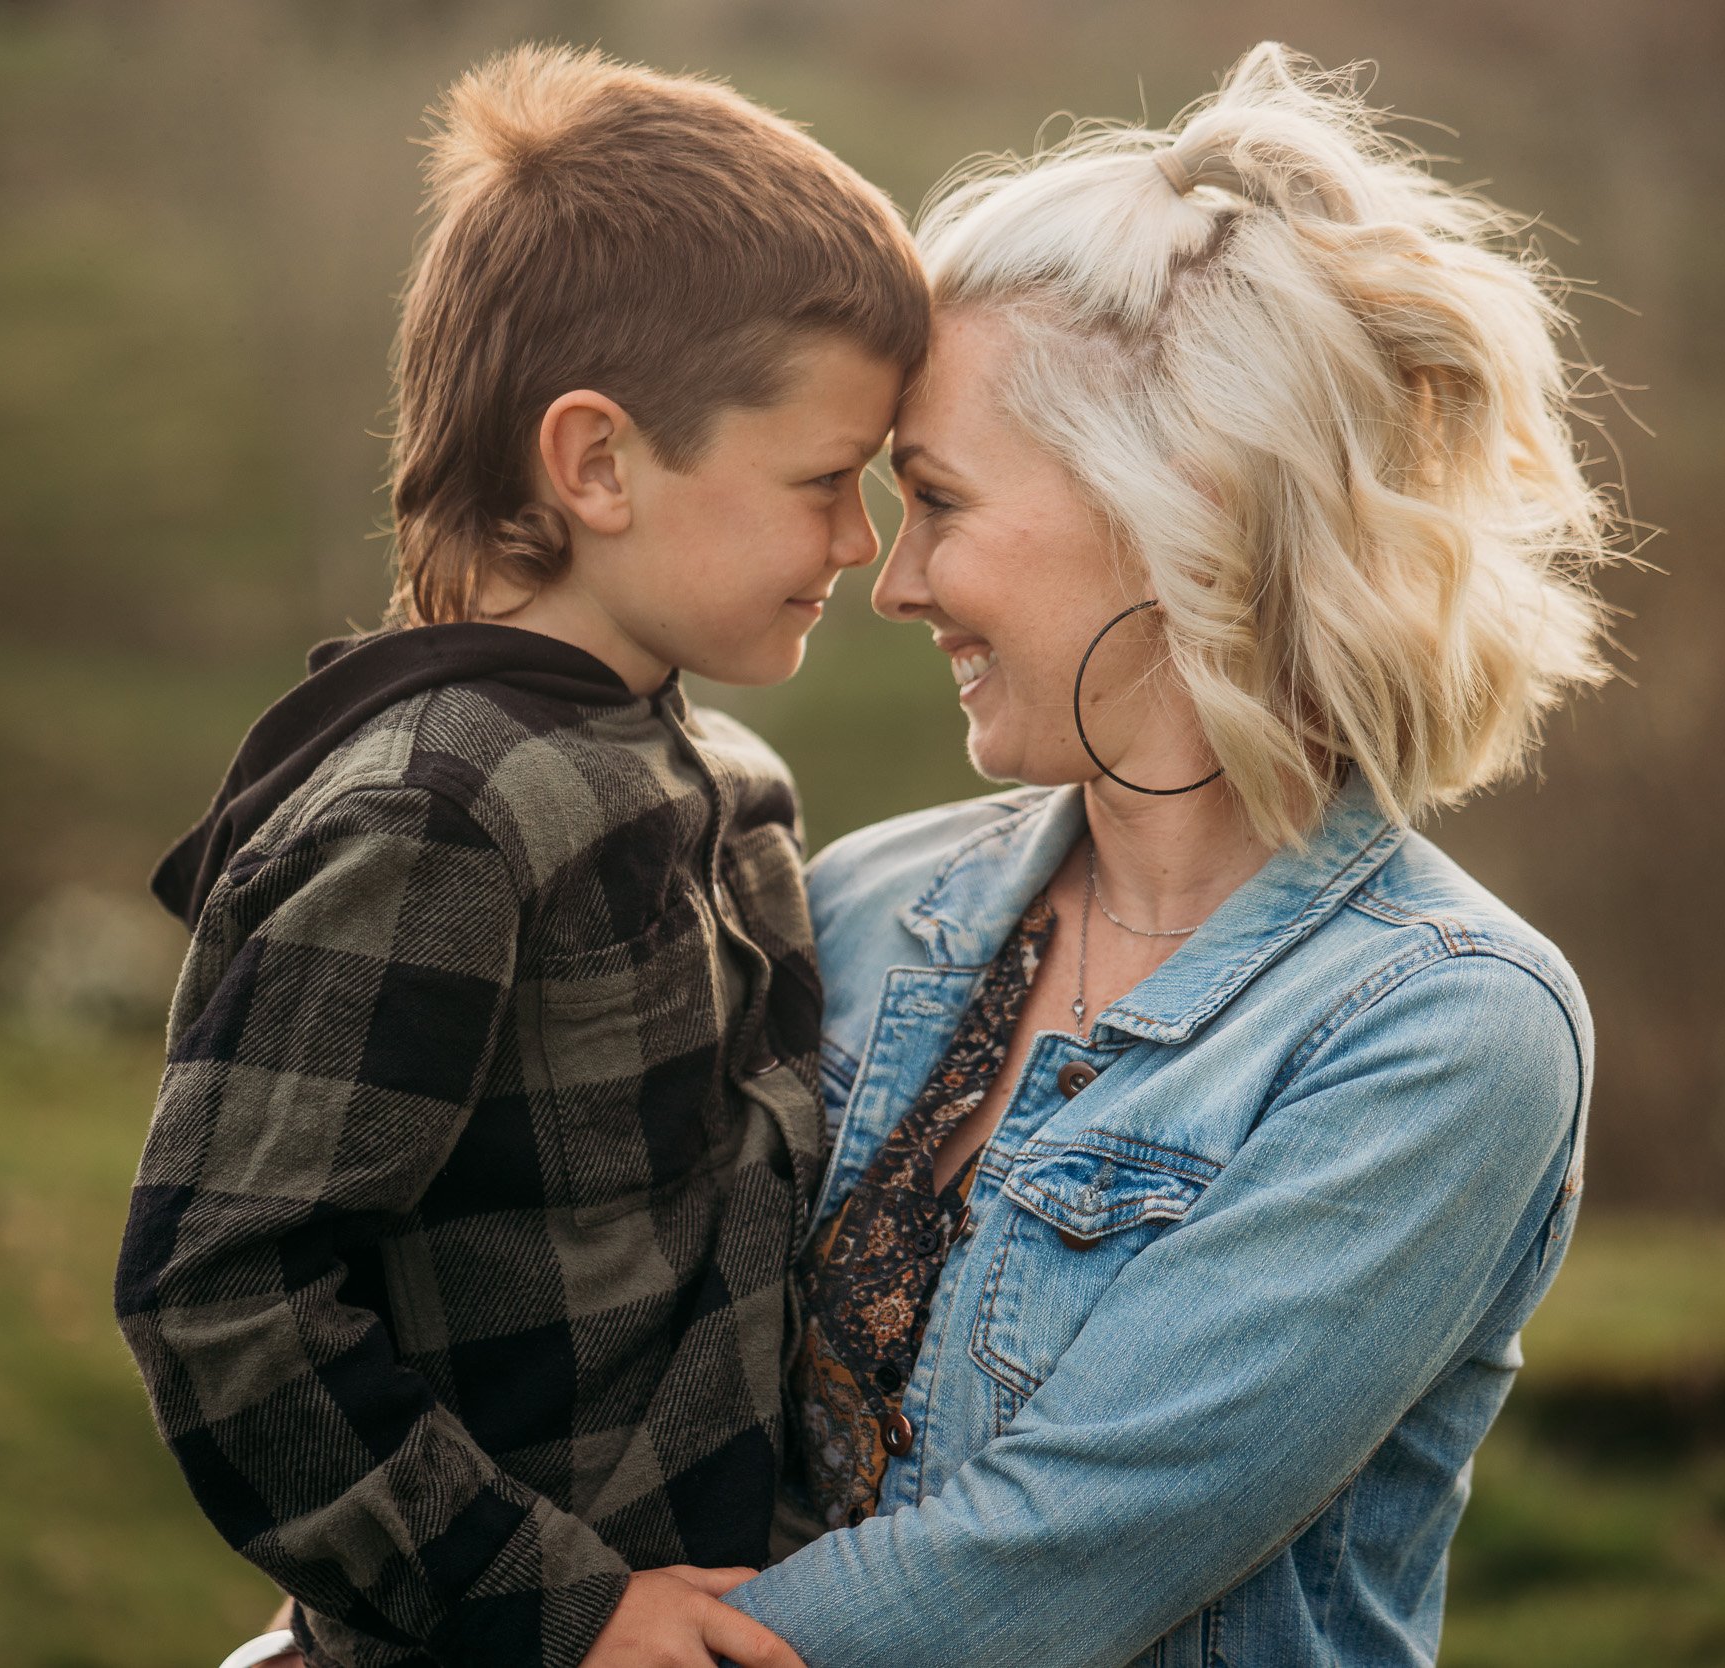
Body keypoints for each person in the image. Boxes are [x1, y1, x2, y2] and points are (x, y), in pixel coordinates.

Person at [726, 43, 1615, 1668]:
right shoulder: (864, 897)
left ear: (1178, 506)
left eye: (934, 501)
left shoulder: (1444, 1029)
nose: (894, 581)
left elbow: (1032, 1573)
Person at [113, 44, 925, 1668]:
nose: (863, 544)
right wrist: (556, 1605)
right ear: (599, 463)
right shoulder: (436, 814)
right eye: (826, 483)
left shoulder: (725, 783)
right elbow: (222, 1299)